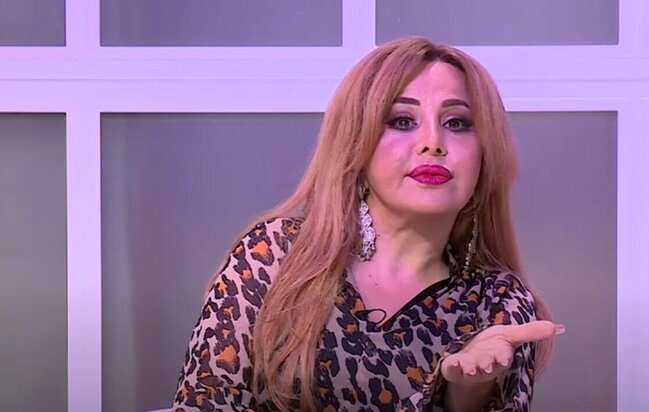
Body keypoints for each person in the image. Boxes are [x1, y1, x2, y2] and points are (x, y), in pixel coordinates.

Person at [171, 36, 564, 412]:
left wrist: (468, 395)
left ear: (486, 154)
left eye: (457, 123)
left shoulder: (499, 302)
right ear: (355, 143)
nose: (433, 142)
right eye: (402, 120)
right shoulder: (273, 256)